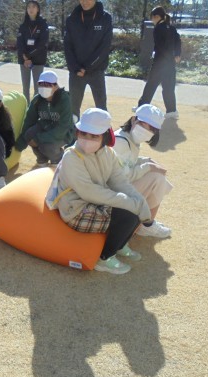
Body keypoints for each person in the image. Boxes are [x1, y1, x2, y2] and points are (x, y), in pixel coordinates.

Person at [46, 108, 152, 274]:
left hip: (95, 201)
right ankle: (104, 258)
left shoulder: (108, 153)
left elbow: (119, 181)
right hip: (76, 209)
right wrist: (129, 202)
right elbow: (88, 192)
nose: (87, 140)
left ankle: (120, 245)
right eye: (83, 134)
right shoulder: (71, 157)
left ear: (105, 136)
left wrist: (139, 200)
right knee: (128, 214)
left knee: (135, 207)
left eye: (94, 136)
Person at [114, 104, 173, 238]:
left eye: (151, 128)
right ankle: (147, 225)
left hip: (115, 189)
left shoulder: (129, 137)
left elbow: (128, 162)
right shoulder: (120, 141)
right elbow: (123, 176)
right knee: (157, 178)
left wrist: (147, 161)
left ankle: (146, 223)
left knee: (158, 177)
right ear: (133, 119)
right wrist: (149, 166)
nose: (146, 130)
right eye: (142, 124)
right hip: (111, 192)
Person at [63, 0, 113, 118]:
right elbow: (67, 46)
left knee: (101, 109)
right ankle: (73, 130)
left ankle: (103, 130)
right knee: (73, 110)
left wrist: (88, 67)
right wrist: (75, 68)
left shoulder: (105, 18)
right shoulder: (72, 19)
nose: (85, 2)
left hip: (96, 71)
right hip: (76, 72)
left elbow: (104, 47)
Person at [15, 70, 74, 167]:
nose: (43, 87)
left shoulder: (64, 99)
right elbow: (29, 120)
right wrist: (20, 143)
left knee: (46, 145)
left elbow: (64, 127)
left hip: (63, 132)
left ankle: (58, 158)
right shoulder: (37, 99)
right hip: (45, 127)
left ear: (55, 86)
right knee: (29, 134)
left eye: (47, 85)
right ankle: (42, 158)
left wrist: (38, 139)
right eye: (41, 84)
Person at [135, 6, 182, 120]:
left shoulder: (158, 28)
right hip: (170, 63)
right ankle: (172, 111)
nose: (152, 20)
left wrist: (166, 57)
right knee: (168, 87)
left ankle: (142, 107)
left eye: (152, 17)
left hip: (160, 62)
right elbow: (178, 41)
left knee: (151, 85)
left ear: (156, 17)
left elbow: (160, 46)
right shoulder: (171, 28)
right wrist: (177, 54)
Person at [16, 1, 49, 103]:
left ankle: (35, 109)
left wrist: (28, 56)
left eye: (33, 7)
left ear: (38, 9)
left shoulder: (43, 25)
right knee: (25, 88)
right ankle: (25, 108)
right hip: (24, 61)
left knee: (38, 88)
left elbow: (42, 44)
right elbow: (19, 43)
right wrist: (25, 57)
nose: (31, 9)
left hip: (38, 60)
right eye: (29, 7)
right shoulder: (22, 26)